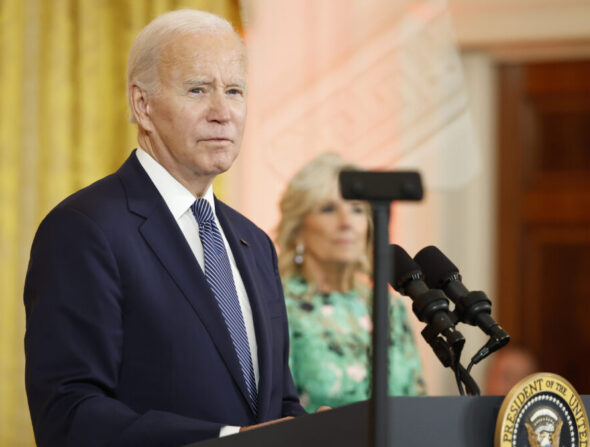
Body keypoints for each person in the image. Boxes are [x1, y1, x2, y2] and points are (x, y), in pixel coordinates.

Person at [23, 10, 306, 447]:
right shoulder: (84, 230)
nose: (222, 113)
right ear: (143, 104)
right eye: (198, 90)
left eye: (234, 91)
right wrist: (230, 440)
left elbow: (277, 404)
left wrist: (311, 430)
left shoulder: (255, 243)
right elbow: (68, 414)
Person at [274, 153, 426, 412]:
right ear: (298, 230)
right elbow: (273, 414)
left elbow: (419, 402)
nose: (346, 223)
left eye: (357, 209)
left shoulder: (389, 306)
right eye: (329, 209)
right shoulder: (277, 307)